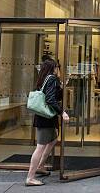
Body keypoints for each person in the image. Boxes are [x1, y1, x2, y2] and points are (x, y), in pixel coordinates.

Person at [26, 59, 69, 187]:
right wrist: (62, 112)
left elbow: (53, 96)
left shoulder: (44, 78)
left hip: (45, 117)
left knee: (53, 140)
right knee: (40, 147)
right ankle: (30, 177)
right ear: (54, 68)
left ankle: (40, 166)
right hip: (45, 118)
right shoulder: (51, 79)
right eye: (58, 67)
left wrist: (61, 86)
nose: (59, 69)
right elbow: (50, 99)